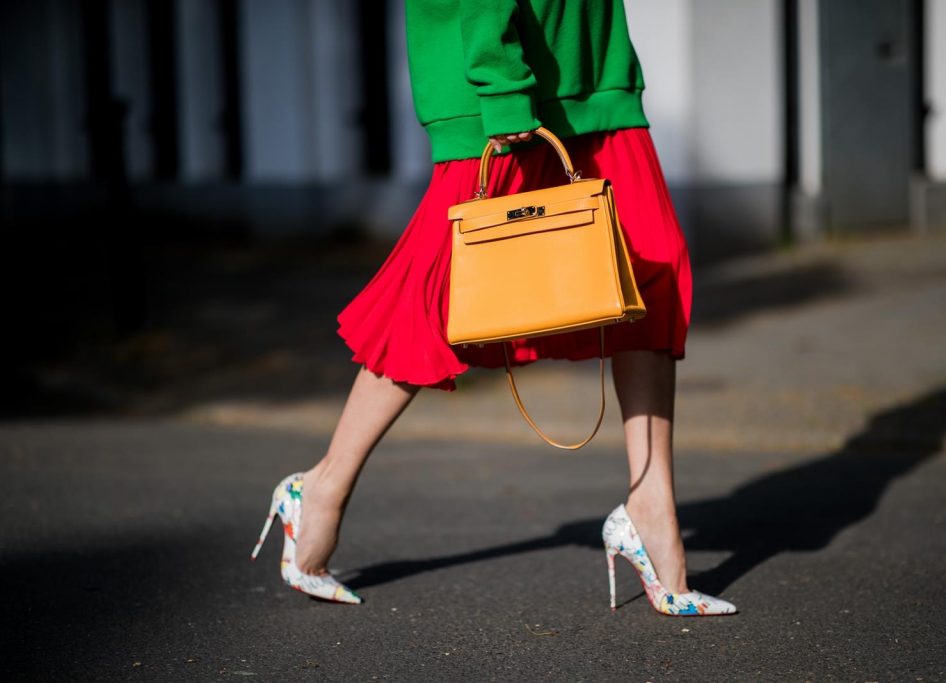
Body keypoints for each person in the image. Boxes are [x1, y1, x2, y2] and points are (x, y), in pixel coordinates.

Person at [250, 0, 737, 617]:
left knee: (650, 274)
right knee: (439, 299)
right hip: (506, 83)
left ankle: (651, 505)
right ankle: (321, 486)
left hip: (593, 72)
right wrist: (502, 87)